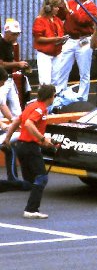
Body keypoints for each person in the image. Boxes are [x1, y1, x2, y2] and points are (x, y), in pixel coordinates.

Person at [3, 84, 55, 218]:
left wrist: (8, 138)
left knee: (29, 184)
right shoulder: (40, 109)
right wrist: (42, 139)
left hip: (21, 146)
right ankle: (31, 210)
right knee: (42, 178)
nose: (54, 98)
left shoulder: (31, 106)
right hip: (29, 147)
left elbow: (16, 122)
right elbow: (28, 124)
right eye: (54, 95)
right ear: (50, 97)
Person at [56, 0, 97, 101]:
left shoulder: (92, 7)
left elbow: (82, 20)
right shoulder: (70, 3)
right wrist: (61, 7)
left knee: (84, 71)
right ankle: (60, 93)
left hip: (84, 40)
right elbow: (61, 16)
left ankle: (82, 97)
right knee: (63, 67)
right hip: (70, 39)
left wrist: (70, 11)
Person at [32, 0, 67, 86]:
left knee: (56, 81)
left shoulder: (57, 20)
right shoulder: (40, 20)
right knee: (45, 82)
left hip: (57, 53)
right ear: (49, 8)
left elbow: (61, 33)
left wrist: (62, 39)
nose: (58, 9)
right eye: (56, 6)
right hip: (45, 54)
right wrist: (54, 39)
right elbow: (38, 38)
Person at [0, 19, 29, 117]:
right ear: (7, 33)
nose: (16, 36)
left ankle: (17, 128)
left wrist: (20, 64)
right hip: (2, 81)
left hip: (9, 79)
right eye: (14, 34)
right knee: (2, 106)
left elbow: (8, 61)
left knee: (16, 108)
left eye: (17, 34)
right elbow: (1, 64)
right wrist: (17, 64)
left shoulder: (10, 44)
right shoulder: (1, 44)